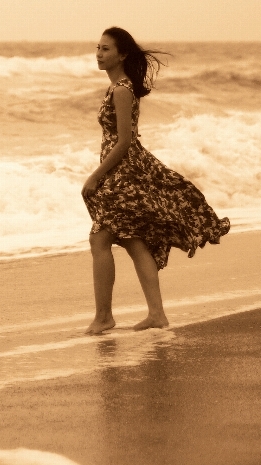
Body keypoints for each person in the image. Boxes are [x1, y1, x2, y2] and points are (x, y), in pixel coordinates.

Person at [82, 27, 229, 334]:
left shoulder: (121, 90)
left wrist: (96, 176)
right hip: (124, 169)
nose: (99, 53)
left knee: (101, 238)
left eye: (106, 49)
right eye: (97, 47)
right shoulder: (119, 87)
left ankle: (105, 317)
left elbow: (124, 141)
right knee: (132, 239)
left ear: (122, 55)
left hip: (124, 171)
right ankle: (155, 314)